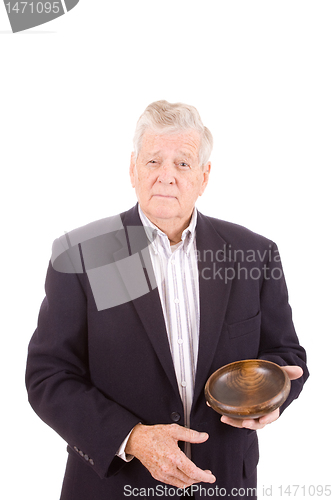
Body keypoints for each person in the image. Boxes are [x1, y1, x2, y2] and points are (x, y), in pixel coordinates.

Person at [26, 100, 309, 500]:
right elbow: (48, 376)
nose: (166, 177)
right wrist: (133, 437)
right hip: (114, 487)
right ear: (133, 169)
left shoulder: (252, 254)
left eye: (182, 163)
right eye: (154, 160)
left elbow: (285, 354)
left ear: (204, 176)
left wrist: (274, 392)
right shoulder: (83, 254)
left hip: (222, 484)